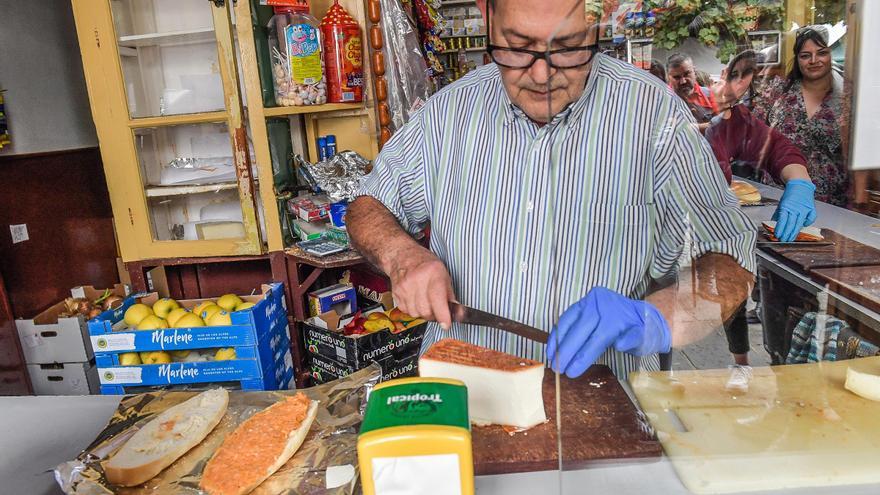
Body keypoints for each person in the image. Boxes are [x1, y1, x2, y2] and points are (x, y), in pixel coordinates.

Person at [347, 0, 755, 379]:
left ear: (597, 22)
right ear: (488, 17)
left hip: (606, 406)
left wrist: (656, 318)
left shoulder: (653, 116)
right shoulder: (447, 114)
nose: (542, 75)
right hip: (465, 396)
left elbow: (731, 259)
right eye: (518, 48)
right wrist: (401, 255)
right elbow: (369, 205)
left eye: (567, 48)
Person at [705, 50, 818, 389]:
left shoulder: (732, 120)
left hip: (712, 226)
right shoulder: (664, 112)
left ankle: (741, 364)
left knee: (731, 291)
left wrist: (800, 182)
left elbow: (775, 149)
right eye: (735, 77)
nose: (737, 88)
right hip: (654, 234)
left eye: (745, 81)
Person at [752, 26, 848, 207]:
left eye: (821, 53)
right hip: (780, 195)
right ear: (797, 59)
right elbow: (752, 130)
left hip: (831, 203)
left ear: (830, 55)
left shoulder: (847, 97)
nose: (814, 60)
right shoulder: (778, 90)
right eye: (805, 55)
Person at [667, 53, 718, 131]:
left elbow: (722, 125)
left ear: (694, 71)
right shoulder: (663, 100)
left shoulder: (711, 94)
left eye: (687, 74)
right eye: (676, 77)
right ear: (668, 77)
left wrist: (691, 127)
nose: (683, 81)